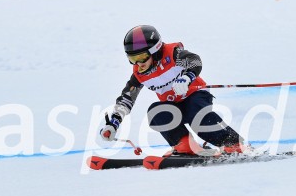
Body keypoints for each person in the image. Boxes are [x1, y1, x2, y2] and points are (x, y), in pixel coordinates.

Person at [100, 25, 246, 156]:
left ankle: (232, 143)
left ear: (155, 51)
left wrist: (187, 78)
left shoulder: (173, 55)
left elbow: (195, 60)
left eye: (141, 57)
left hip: (195, 96)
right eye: (132, 59)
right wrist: (114, 123)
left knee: (196, 114)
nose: (138, 64)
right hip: (173, 105)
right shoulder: (139, 75)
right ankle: (184, 145)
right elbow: (127, 99)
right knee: (156, 112)